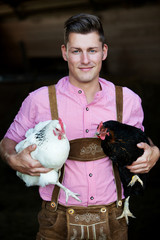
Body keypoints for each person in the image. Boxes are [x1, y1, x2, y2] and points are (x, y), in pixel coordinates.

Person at [0, 13, 159, 240]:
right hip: (56, 221)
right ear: (65, 53)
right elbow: (8, 141)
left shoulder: (128, 100)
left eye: (92, 50)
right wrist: (12, 158)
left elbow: (140, 139)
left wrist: (154, 151)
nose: (85, 60)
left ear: (104, 52)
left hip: (113, 218)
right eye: (76, 51)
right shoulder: (39, 100)